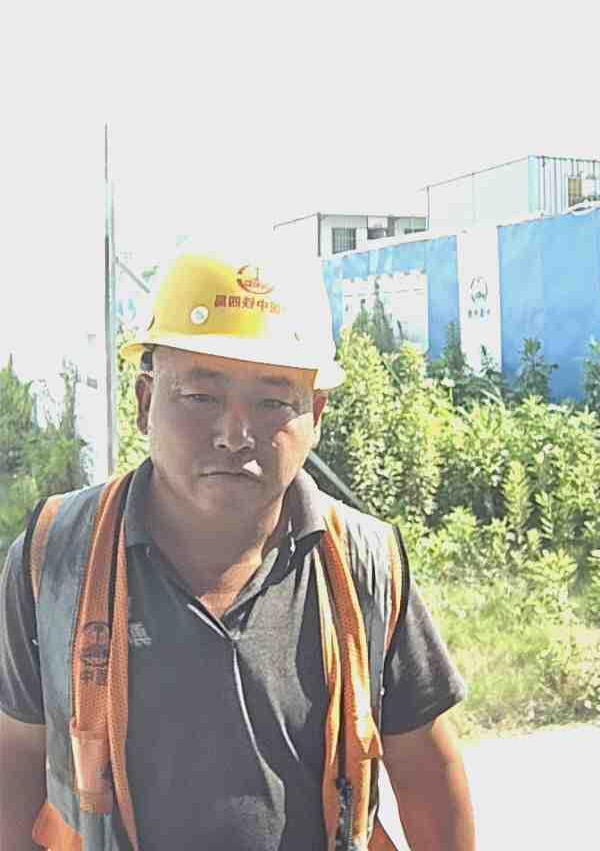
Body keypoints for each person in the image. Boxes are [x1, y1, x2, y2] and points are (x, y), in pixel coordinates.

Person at [0, 244, 475, 850]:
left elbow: (428, 772)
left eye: (273, 401)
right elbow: (15, 760)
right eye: (201, 396)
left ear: (315, 415)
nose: (235, 434)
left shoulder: (363, 565)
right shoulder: (56, 556)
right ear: (145, 402)